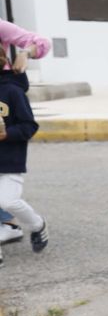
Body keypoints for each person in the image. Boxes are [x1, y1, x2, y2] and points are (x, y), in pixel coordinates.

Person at [0, 20, 52, 265]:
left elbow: (28, 126)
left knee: (7, 200)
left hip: (8, 158)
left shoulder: (12, 91)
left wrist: (25, 53)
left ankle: (35, 224)